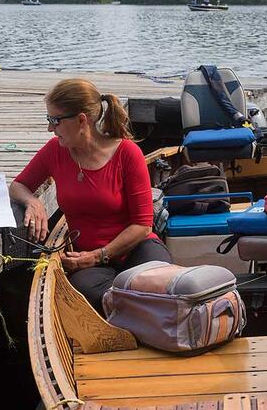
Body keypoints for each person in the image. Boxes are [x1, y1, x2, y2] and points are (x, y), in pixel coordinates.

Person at [9, 78, 172, 315]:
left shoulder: (127, 153)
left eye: (55, 121)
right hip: (87, 259)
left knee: (155, 283)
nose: (49, 129)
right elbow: (18, 185)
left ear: (81, 120)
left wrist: (98, 256)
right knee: (84, 292)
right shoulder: (54, 151)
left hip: (136, 249)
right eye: (49, 120)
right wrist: (32, 201)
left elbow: (142, 225)